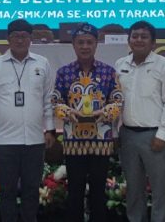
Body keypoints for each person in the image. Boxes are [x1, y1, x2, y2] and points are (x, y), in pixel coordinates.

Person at [0, 19, 57, 222]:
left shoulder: (42, 63)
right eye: (15, 36)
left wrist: (50, 129)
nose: (20, 40)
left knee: (31, 190)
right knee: (7, 191)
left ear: (31, 38)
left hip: (35, 140)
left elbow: (48, 99)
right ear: (8, 39)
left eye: (24, 36)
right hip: (5, 141)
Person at [50, 23, 122, 222]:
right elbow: (55, 101)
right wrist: (67, 112)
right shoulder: (64, 72)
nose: (85, 46)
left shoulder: (108, 72)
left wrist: (104, 112)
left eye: (89, 42)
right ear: (73, 44)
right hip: (74, 141)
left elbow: (117, 100)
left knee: (98, 191)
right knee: (75, 190)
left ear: (96, 44)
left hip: (101, 141)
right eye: (80, 42)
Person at [114, 21, 165, 222]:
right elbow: (116, 101)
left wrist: (162, 135)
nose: (139, 40)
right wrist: (115, 132)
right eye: (135, 36)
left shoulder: (164, 65)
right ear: (129, 40)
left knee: (159, 189)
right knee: (133, 188)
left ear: (153, 42)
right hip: (128, 134)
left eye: (144, 36)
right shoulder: (120, 64)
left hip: (154, 135)